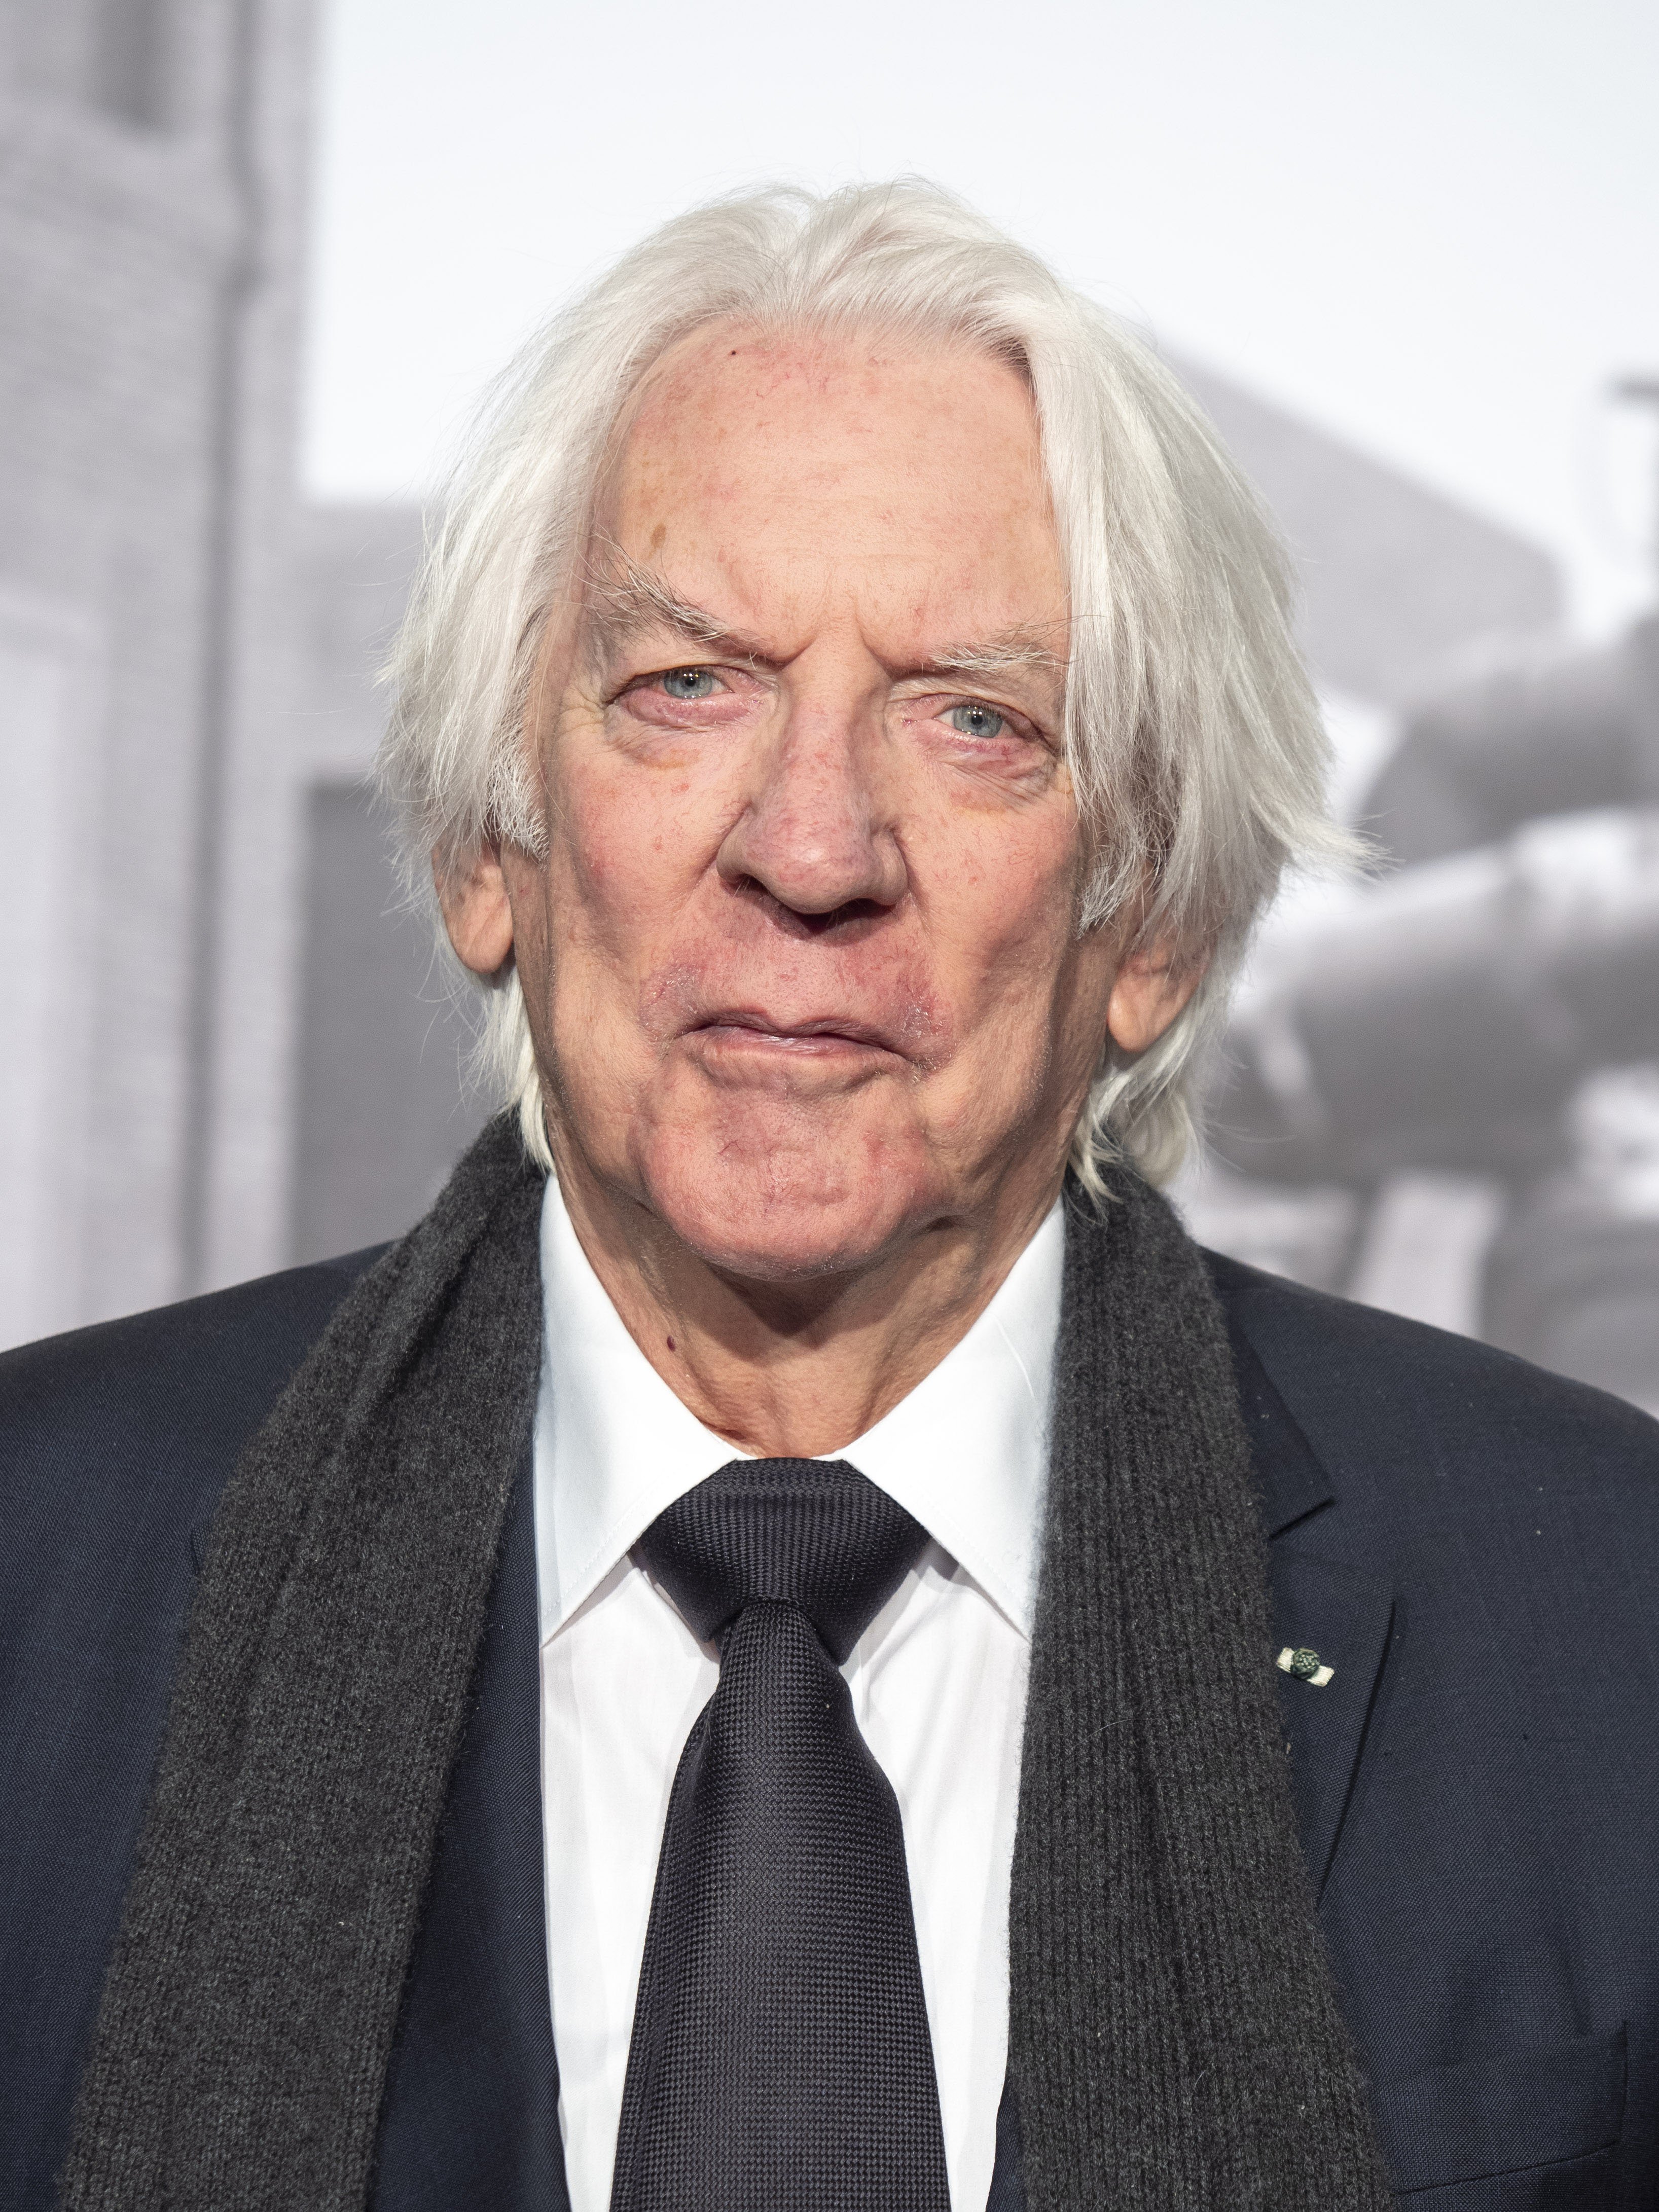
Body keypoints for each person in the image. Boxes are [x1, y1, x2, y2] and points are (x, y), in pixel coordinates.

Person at [3, 183, 1654, 2212]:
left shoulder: (1603, 1621)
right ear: (483, 851)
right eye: (687, 684)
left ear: (1150, 920)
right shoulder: (31, 1577)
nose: (807, 844)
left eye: (974, 718)